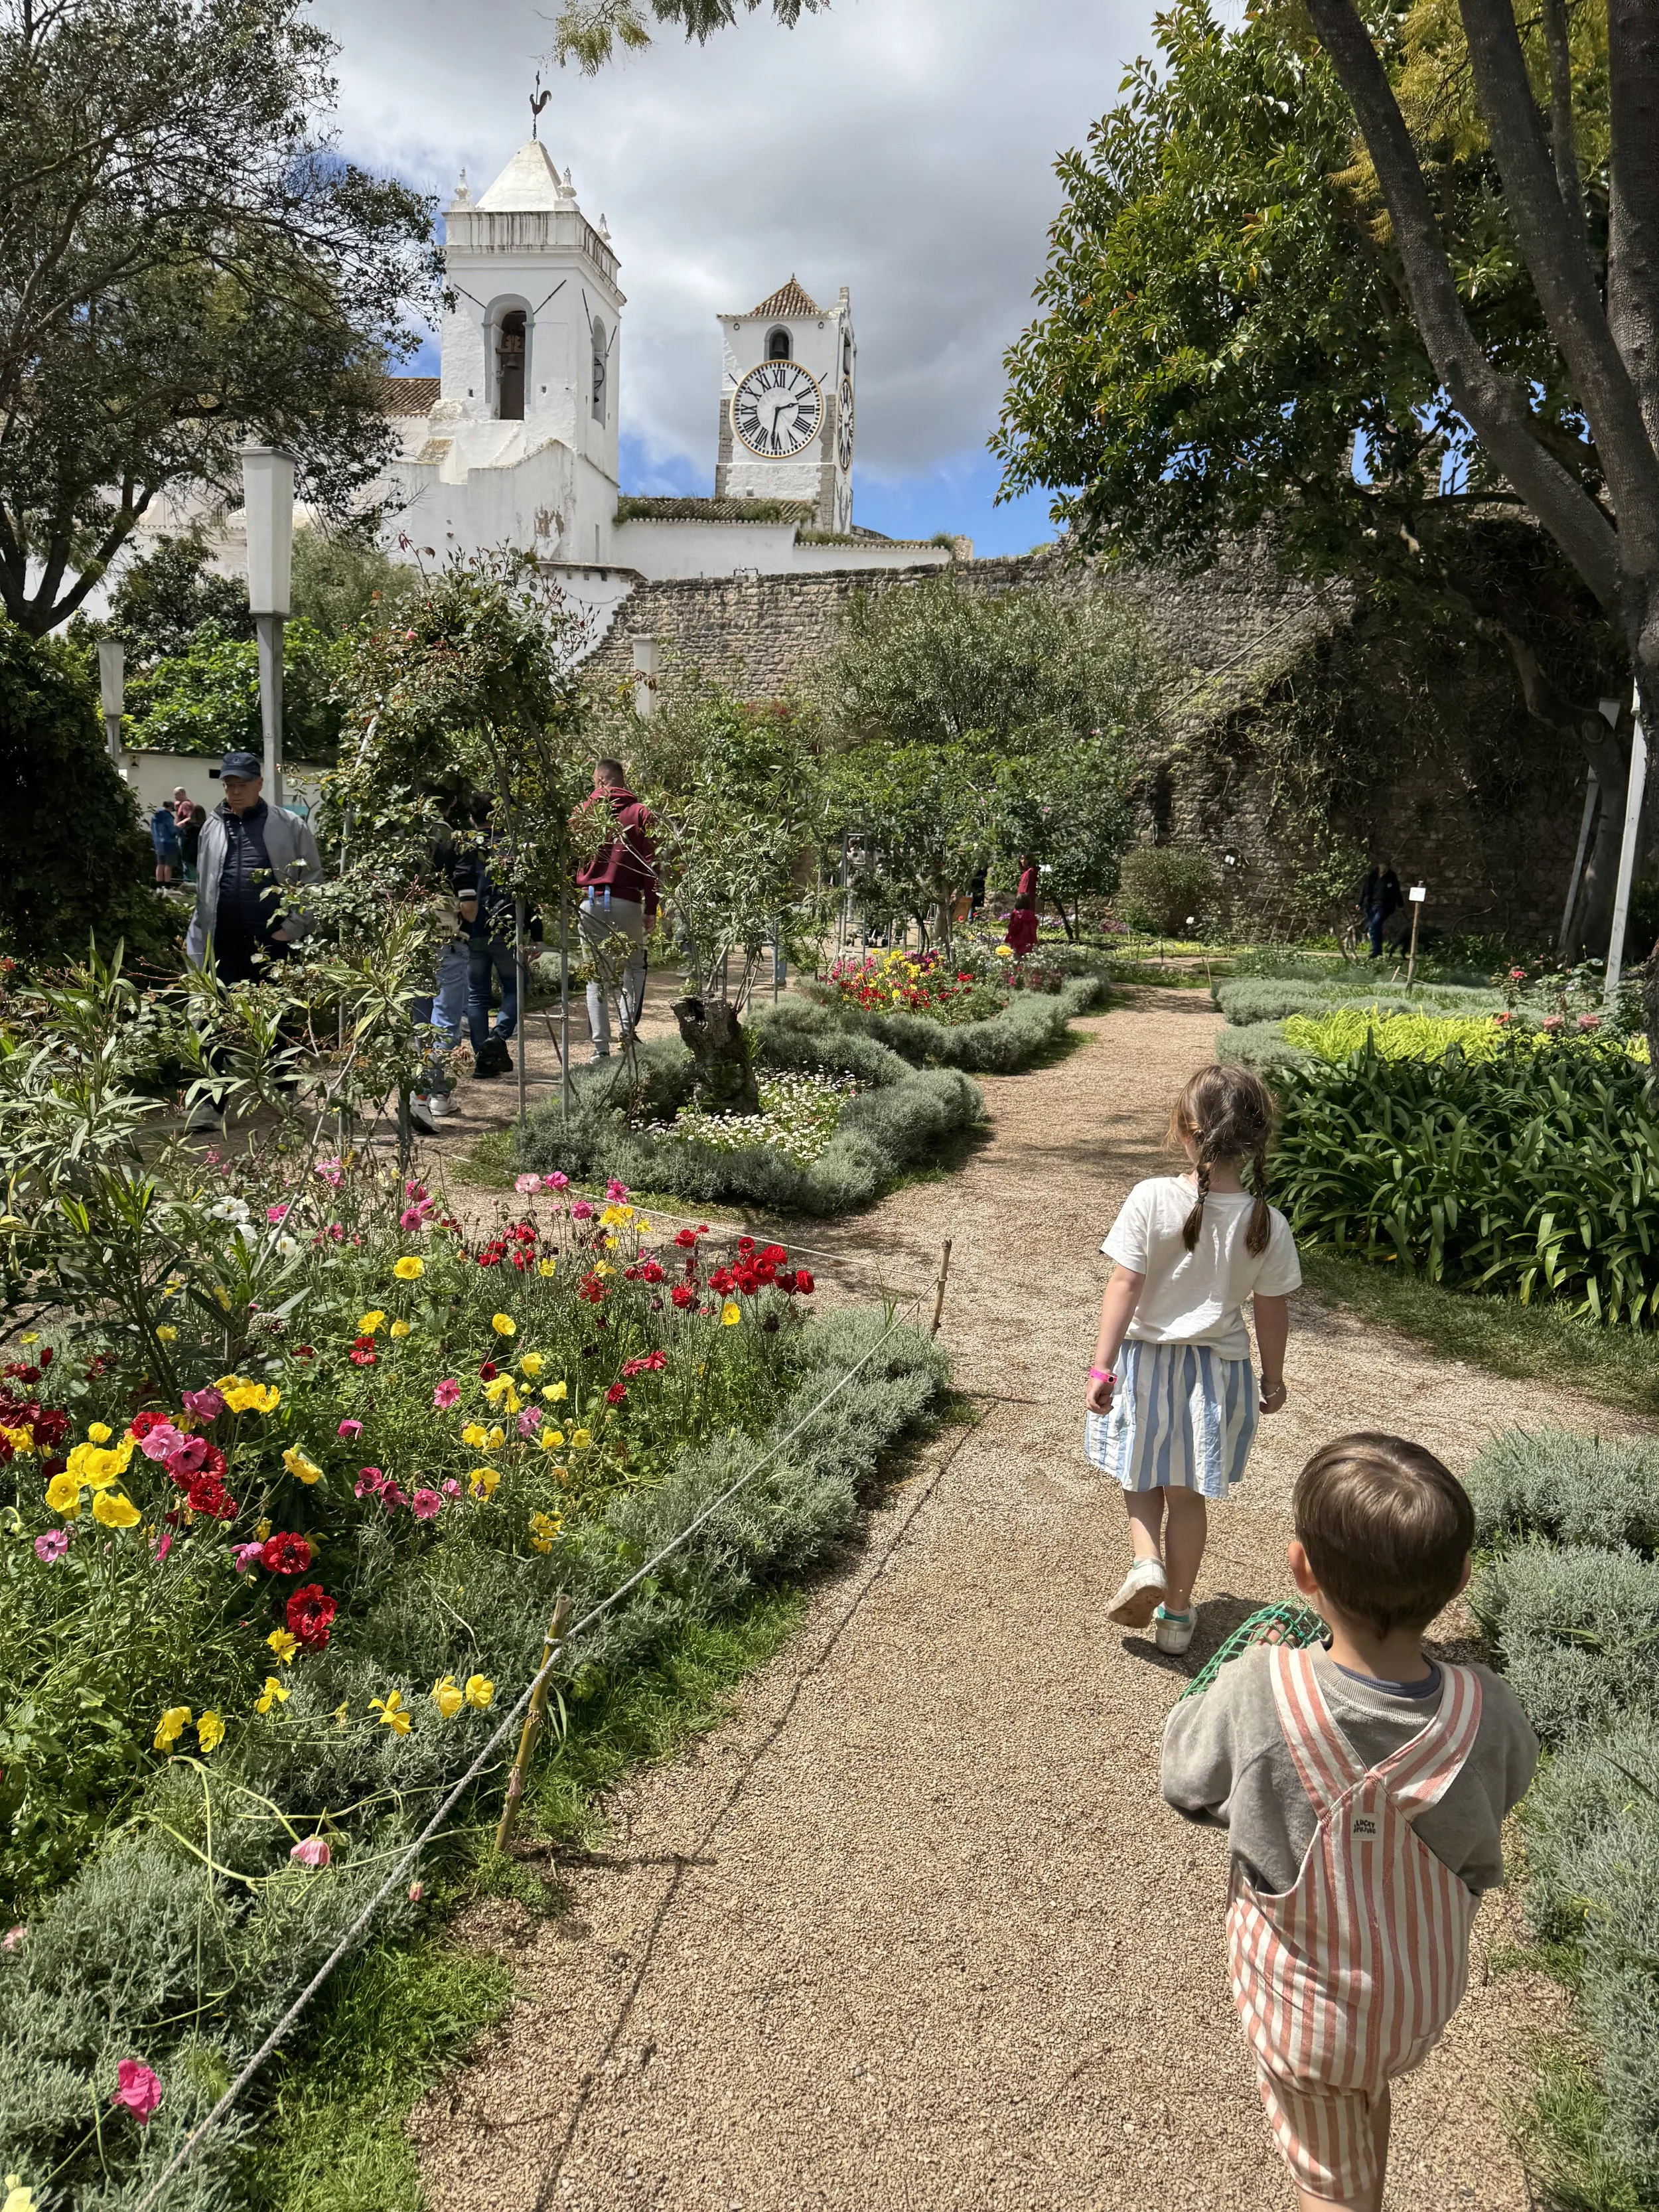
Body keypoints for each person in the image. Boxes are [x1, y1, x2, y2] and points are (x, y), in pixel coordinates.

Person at [1162, 1435, 1539, 2212]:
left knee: (1324, 2186)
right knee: (1352, 2110)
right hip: (1414, 1996)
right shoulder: (1488, 1708)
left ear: (1301, 1570)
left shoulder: (1260, 1686)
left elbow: (1185, 1779)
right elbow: (1502, 1792)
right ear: (1460, 1580)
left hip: (1306, 2005)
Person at [1085, 1063, 1301, 1653]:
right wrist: (1274, 1379)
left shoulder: (1152, 1197)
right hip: (1217, 1373)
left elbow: (1124, 1283)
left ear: (1186, 1129)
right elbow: (1271, 1310)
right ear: (1256, 1138)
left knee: (1138, 1471)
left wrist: (1101, 1367)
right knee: (1186, 1494)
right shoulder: (1266, 1221)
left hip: (1145, 1363)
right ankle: (1176, 1618)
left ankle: (1145, 1560)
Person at [184, 752, 322, 985]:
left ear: (259, 784)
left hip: (273, 943)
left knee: (278, 1017)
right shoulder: (211, 828)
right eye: (229, 785)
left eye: (242, 785)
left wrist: (290, 929)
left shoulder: (289, 825)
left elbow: (312, 879)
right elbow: (203, 888)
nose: (235, 792)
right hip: (223, 945)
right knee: (225, 1014)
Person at [573, 757, 658, 1061]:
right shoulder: (639, 813)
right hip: (628, 901)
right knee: (634, 967)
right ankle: (627, 1036)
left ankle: (600, 1049)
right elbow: (653, 863)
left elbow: (570, 860)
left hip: (591, 900)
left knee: (596, 976)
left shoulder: (582, 814)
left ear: (599, 781)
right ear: (621, 780)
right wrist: (652, 907)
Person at [409, 819, 481, 1131]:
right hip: (448, 942)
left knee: (418, 1024)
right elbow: (469, 908)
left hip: (410, 942)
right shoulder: (458, 842)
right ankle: (426, 1096)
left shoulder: (402, 838)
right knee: (445, 1024)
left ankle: (433, 1092)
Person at [1358, 860, 1402, 958]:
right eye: (1382, 866)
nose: (1384, 868)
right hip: (1371, 906)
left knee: (1373, 926)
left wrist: (1400, 903)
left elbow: (1396, 891)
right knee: (1376, 928)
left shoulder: (1391, 877)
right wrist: (1360, 903)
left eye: (1385, 867)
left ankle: (1376, 950)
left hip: (1383, 906)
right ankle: (1377, 950)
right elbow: (1365, 889)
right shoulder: (1373, 876)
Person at [1005, 853, 1039, 958]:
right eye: (1022, 858)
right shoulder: (1026, 873)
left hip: (1024, 906)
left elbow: (1026, 891)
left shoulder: (1030, 873)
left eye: (1025, 859)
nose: (1023, 861)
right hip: (1025, 907)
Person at [149, 801, 182, 887]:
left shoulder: (155, 816)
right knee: (168, 864)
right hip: (169, 842)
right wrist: (179, 828)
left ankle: (159, 884)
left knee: (160, 864)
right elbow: (172, 831)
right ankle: (167, 884)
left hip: (158, 843)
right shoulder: (167, 817)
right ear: (170, 808)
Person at [180, 803, 206, 885]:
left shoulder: (188, 828)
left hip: (190, 856)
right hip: (203, 855)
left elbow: (183, 843)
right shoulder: (207, 827)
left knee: (191, 877)